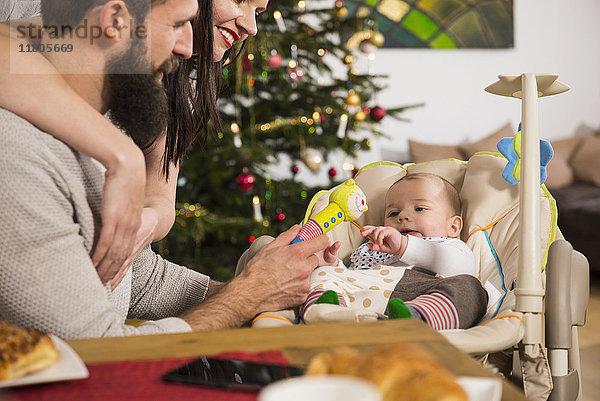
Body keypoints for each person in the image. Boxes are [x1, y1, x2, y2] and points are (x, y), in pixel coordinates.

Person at [0, 0, 328, 339]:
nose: (188, 49)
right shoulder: (19, 159)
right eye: (177, 25)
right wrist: (244, 297)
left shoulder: (101, 124)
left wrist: (265, 283)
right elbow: (98, 353)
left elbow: (126, 277)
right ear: (113, 19)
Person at [0, 0, 265, 288]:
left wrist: (142, 224)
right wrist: (121, 154)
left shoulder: (177, 69)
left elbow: (160, 193)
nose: (251, 27)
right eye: (240, 0)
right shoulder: (96, 21)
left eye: (258, 12)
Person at [296, 173, 488, 330]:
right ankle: (330, 312)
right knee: (320, 273)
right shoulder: (373, 246)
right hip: (363, 299)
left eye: (420, 209)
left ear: (453, 227)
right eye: (393, 213)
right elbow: (351, 274)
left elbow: (460, 268)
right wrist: (333, 265)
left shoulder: (449, 245)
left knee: (470, 288)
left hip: (419, 295)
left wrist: (404, 246)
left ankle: (418, 319)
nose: (403, 216)